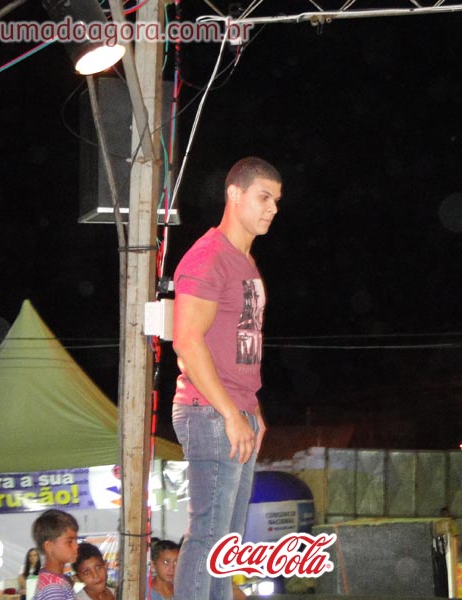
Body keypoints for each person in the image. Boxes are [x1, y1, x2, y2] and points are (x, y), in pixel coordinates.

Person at [171, 156, 282, 600]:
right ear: (234, 194)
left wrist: (252, 412)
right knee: (208, 537)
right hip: (210, 412)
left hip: (236, 411)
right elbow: (187, 341)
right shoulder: (208, 256)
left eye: (276, 200)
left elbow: (240, 347)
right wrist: (231, 414)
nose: (273, 208)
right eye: (264, 197)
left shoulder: (246, 263)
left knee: (224, 547)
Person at [31, 509, 79, 600]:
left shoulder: (53, 579)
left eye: (76, 540)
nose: (76, 546)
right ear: (49, 546)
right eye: (69, 542)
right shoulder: (53, 589)